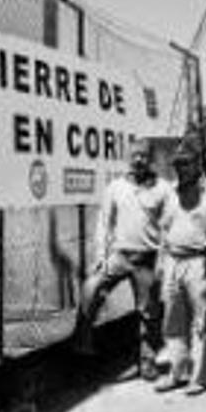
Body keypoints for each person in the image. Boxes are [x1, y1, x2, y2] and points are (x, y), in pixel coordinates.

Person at [74, 138, 173, 381]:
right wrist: (100, 255)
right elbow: (104, 223)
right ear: (129, 157)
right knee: (91, 287)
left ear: (151, 159)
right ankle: (83, 344)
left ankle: (147, 362)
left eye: (144, 155)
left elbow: (169, 226)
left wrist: (163, 259)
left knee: (148, 314)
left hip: (147, 259)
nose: (139, 159)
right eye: (135, 155)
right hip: (119, 256)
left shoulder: (162, 188)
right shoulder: (115, 187)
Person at [154, 136, 206, 395]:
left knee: (200, 322)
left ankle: (200, 376)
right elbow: (163, 229)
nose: (182, 168)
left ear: (198, 164)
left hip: (197, 261)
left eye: (187, 163)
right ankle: (176, 371)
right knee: (172, 321)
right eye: (178, 164)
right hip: (172, 260)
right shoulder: (170, 191)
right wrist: (160, 262)